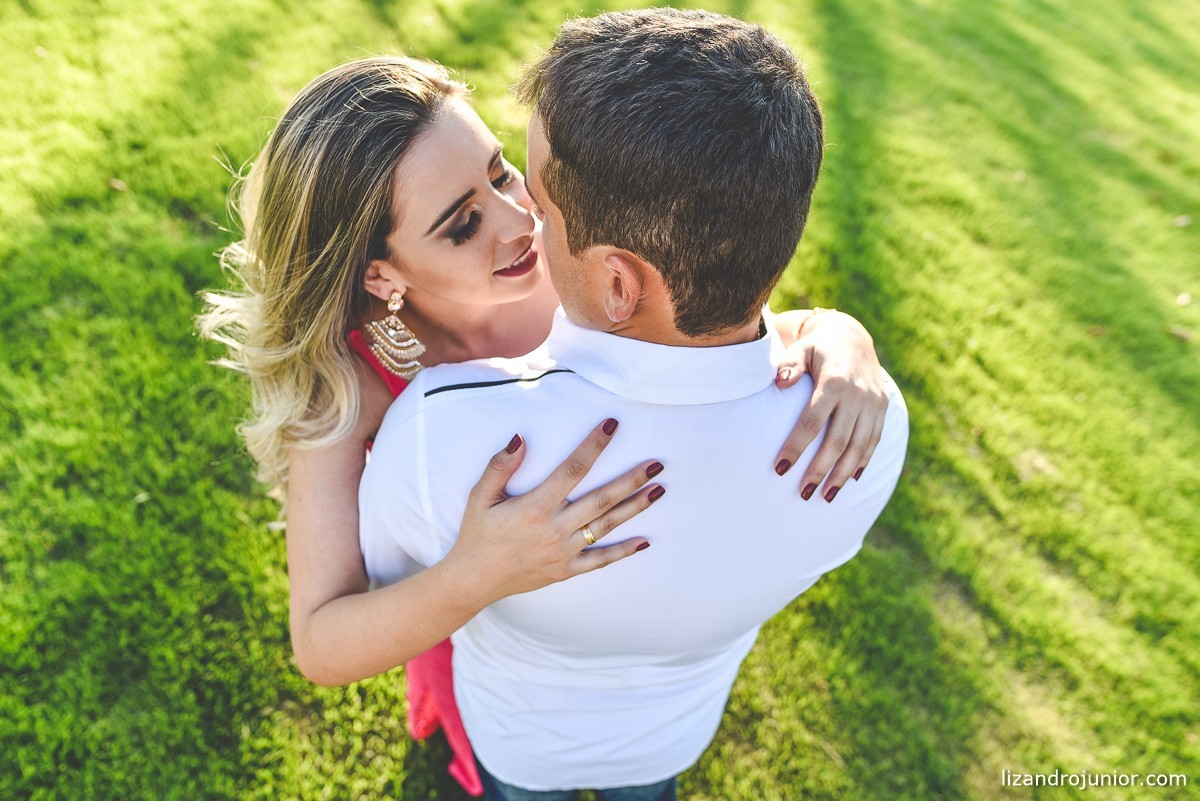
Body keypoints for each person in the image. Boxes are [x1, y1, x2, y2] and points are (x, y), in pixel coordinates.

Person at [201, 50, 890, 795]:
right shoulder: (353, 385)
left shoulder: (582, 283)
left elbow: (712, 334)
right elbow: (320, 640)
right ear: (381, 276)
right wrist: (475, 575)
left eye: (499, 171)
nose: (520, 217)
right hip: (463, 617)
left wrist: (838, 333)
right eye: (463, 224)